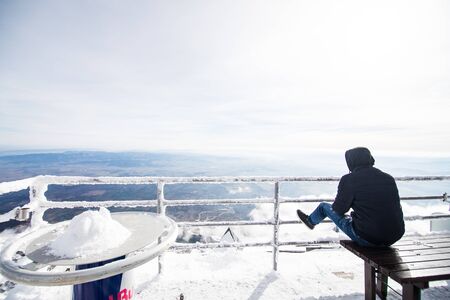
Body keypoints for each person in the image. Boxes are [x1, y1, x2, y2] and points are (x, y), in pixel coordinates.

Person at [297, 147, 405, 247]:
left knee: (323, 207)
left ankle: (310, 221)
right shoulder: (388, 178)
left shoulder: (349, 180)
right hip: (395, 235)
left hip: (369, 238)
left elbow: (338, 209)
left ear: (351, 162)